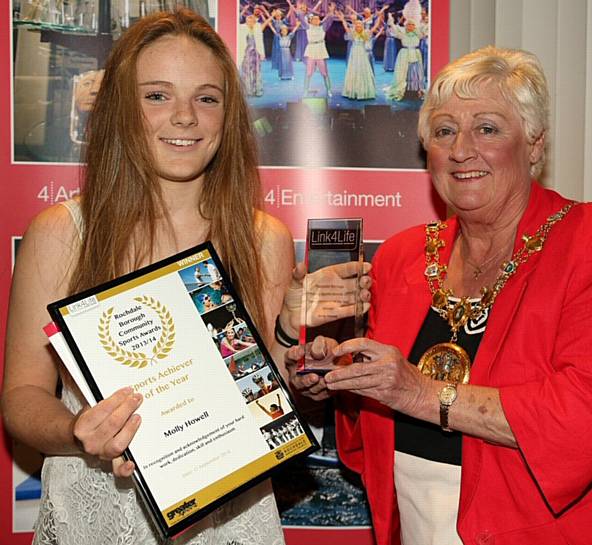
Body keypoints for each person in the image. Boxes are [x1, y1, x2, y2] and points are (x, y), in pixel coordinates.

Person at [1, 10, 370, 545]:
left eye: (206, 97)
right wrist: (80, 434)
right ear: (122, 109)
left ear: (228, 114)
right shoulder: (63, 233)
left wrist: (295, 347)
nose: (184, 118)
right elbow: (21, 395)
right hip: (98, 515)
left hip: (230, 519)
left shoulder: (262, 238)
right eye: (157, 95)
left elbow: (272, 399)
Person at [287, 46, 592, 545]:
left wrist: (418, 391)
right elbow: (369, 429)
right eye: (445, 131)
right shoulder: (401, 256)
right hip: (413, 526)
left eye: (488, 129)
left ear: (535, 145)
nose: (461, 150)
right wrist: (337, 377)